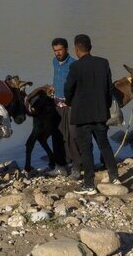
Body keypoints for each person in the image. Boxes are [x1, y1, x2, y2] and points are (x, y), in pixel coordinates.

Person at [64, 34, 120, 194]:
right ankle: (114, 176)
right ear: (90, 47)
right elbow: (109, 88)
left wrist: (69, 102)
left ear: (76, 49)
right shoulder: (103, 63)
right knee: (104, 145)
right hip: (100, 112)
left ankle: (89, 184)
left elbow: (68, 88)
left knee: (86, 149)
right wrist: (106, 105)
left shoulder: (75, 67)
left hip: (82, 115)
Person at [51, 37, 79, 176]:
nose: (58, 53)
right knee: (57, 134)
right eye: (55, 50)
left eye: (60, 50)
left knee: (73, 136)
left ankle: (76, 167)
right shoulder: (54, 62)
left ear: (67, 49)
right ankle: (60, 166)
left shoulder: (74, 64)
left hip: (71, 105)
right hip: (57, 104)